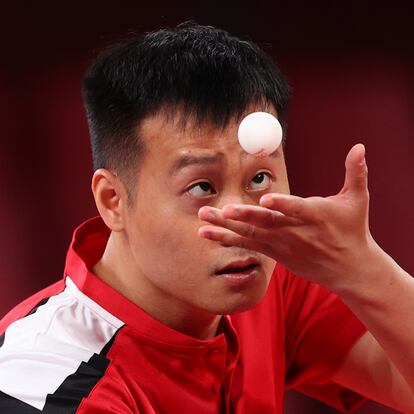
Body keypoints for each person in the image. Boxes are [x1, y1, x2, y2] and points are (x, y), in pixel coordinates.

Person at [0, 23, 412, 413]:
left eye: (259, 178)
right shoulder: (50, 383)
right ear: (113, 200)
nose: (241, 222)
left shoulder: (273, 285)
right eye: (202, 188)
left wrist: (363, 266)